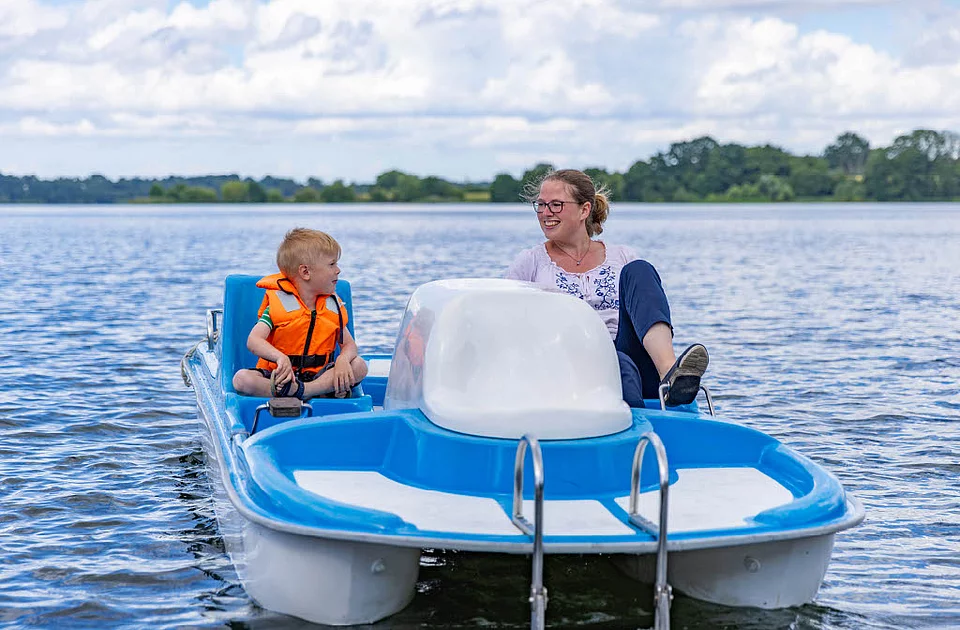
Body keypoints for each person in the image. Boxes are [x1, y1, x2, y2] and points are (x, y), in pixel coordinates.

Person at [504, 169, 708, 407]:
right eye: (540, 205)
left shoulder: (622, 256)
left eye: (556, 205)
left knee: (639, 270)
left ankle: (669, 375)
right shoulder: (531, 262)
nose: (545, 213)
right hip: (565, 366)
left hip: (628, 355)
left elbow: (645, 312)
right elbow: (508, 326)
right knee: (620, 366)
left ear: (584, 210)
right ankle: (634, 432)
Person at [232, 228, 368, 399]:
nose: (338, 270)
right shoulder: (277, 306)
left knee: (359, 366)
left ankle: (306, 391)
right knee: (242, 379)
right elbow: (254, 341)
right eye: (332, 264)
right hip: (281, 378)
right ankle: (314, 391)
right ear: (305, 272)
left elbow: (349, 345)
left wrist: (342, 360)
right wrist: (280, 358)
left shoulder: (332, 307)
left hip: (319, 377)